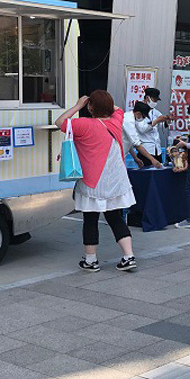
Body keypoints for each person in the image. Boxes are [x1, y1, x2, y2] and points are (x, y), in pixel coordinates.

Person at [55, 91, 137, 272]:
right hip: (116, 180)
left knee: (90, 219)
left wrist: (78, 106)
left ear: (90, 107)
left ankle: (91, 260)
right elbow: (118, 109)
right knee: (115, 217)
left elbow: (59, 122)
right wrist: (104, 102)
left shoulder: (84, 124)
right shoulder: (116, 120)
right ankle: (128, 256)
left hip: (92, 181)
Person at [122, 101, 163, 169]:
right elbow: (137, 144)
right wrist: (152, 159)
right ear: (138, 113)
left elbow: (129, 142)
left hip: (121, 154)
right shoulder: (128, 120)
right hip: (116, 154)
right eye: (143, 117)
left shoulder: (132, 118)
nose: (143, 119)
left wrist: (135, 158)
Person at [139, 88, 170, 160]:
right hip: (145, 149)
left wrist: (167, 120)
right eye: (154, 100)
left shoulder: (155, 111)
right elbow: (142, 129)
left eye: (156, 100)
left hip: (157, 149)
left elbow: (162, 125)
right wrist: (156, 121)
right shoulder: (139, 111)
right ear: (147, 98)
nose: (155, 102)